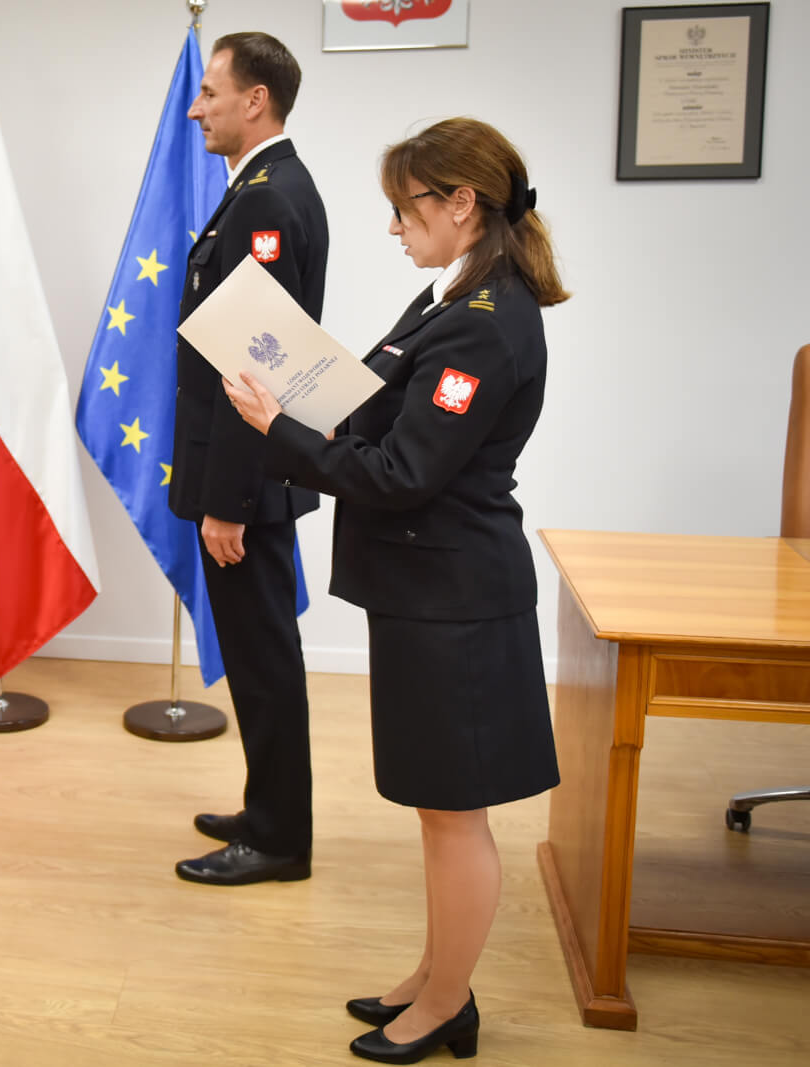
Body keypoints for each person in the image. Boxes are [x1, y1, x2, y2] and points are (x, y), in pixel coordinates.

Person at [224, 117, 567, 1063]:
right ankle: (434, 973)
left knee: (455, 813)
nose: (392, 228)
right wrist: (302, 393)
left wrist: (277, 430)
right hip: (429, 590)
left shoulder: (484, 322)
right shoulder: (450, 299)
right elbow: (381, 400)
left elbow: (403, 472)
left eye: (404, 209)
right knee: (435, 805)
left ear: (462, 203)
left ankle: (448, 1003)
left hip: (456, 599)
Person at [170, 31, 328, 886]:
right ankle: (268, 807)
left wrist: (227, 499)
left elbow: (252, 365)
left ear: (254, 100)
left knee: (263, 661)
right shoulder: (262, 189)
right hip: (254, 473)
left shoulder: (266, 200)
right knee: (261, 655)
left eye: (211, 92)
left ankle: (277, 838)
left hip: (249, 480)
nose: (198, 109)